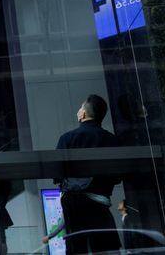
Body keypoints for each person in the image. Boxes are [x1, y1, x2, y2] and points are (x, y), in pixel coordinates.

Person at [55, 94, 121, 254]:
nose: (78, 111)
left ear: (83, 114)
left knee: (77, 248)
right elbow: (117, 177)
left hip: (74, 206)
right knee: (105, 247)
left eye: (80, 108)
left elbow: (57, 175)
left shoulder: (67, 139)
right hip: (100, 204)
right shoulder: (112, 140)